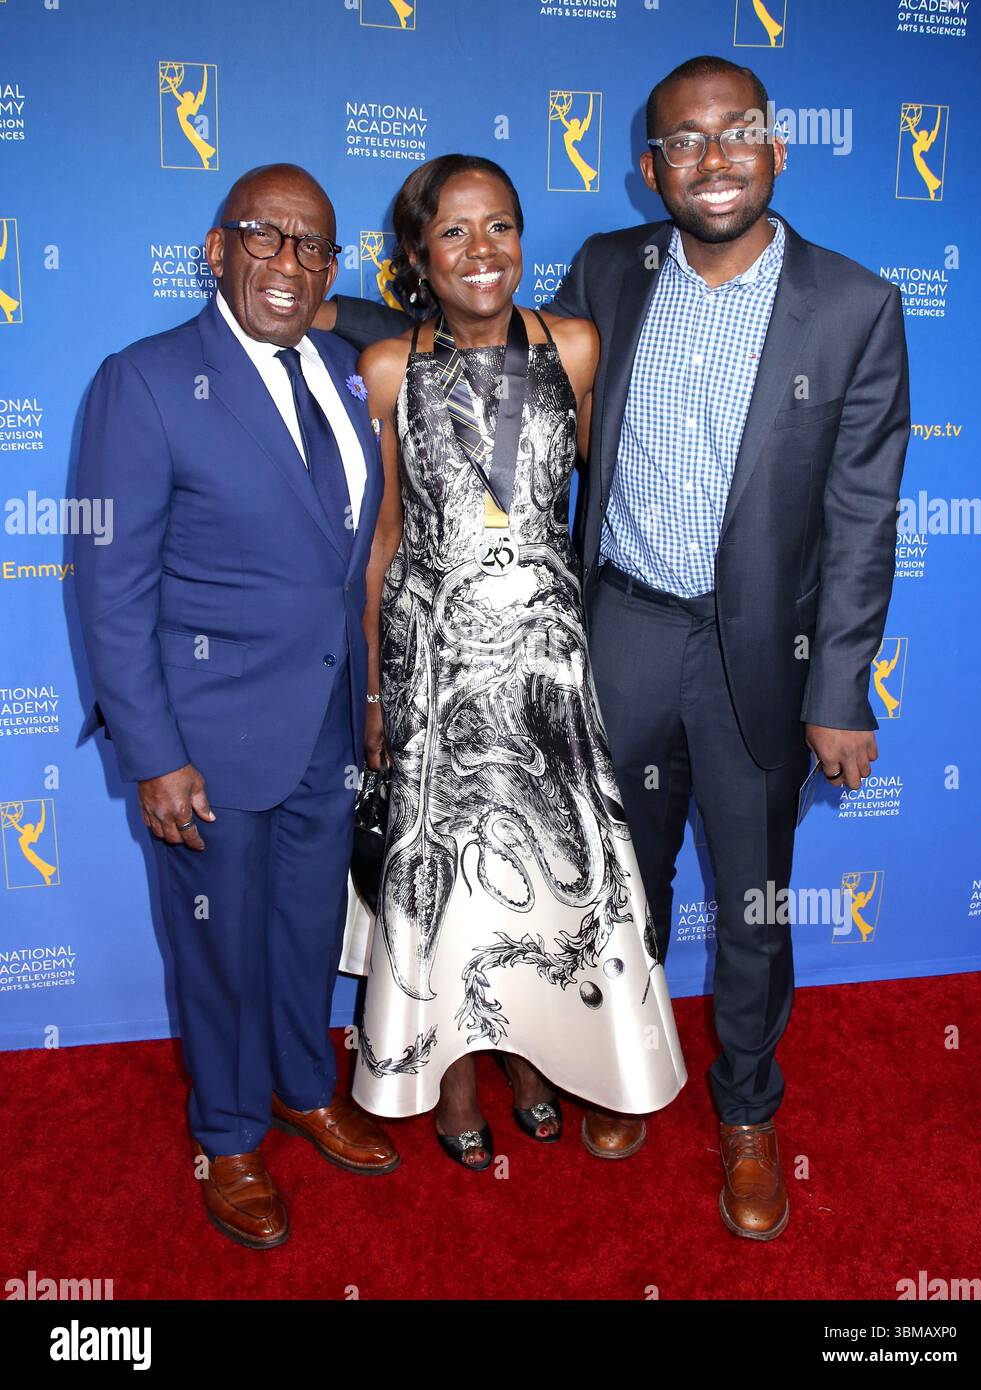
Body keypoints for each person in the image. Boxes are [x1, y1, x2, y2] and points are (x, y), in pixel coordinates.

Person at [330, 55, 911, 1238]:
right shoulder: (612, 274)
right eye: (683, 143)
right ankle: (616, 1069)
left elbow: (862, 516)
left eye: (733, 134)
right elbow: (479, 352)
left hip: (761, 655)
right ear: (650, 168)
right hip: (615, 635)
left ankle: (746, 1114)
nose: (710, 160)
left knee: (751, 904)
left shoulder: (853, 306)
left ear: (773, 147)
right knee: (609, 887)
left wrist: (840, 689)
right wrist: (313, 326)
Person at [75, 163, 398, 1249]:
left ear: (332, 270)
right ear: (216, 250)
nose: (289, 263)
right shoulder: (148, 379)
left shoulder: (354, 372)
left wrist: (369, 700)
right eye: (265, 236)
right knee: (216, 947)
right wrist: (153, 752)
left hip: (325, 725)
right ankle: (226, 1132)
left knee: (308, 930)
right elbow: (111, 585)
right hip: (205, 742)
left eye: (313, 246)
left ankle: (304, 1087)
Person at [344, 154, 687, 1170]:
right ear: (415, 254)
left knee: (543, 880)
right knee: (451, 876)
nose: (479, 250)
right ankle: (450, 1071)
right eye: (452, 232)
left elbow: (596, 494)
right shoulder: (387, 370)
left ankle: (531, 1058)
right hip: (434, 664)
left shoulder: (573, 346)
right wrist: (375, 686)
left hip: (545, 664)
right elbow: (383, 540)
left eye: (498, 225)